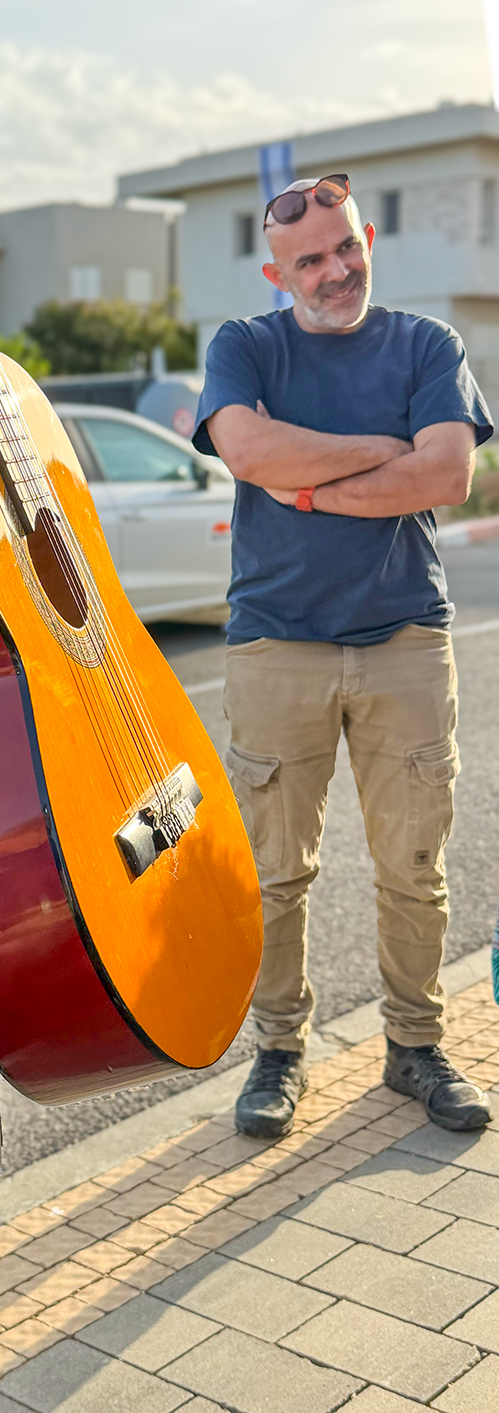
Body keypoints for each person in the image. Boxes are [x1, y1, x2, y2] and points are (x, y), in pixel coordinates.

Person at [193, 174, 494, 1140]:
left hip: (406, 635)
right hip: (278, 640)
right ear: (279, 270)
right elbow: (246, 451)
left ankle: (415, 1045)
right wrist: (380, 451)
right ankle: (279, 1051)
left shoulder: (425, 343)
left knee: (415, 865)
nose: (333, 273)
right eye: (309, 261)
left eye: (345, 249)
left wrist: (311, 483)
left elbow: (447, 471)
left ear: (367, 238)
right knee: (278, 871)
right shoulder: (246, 346)